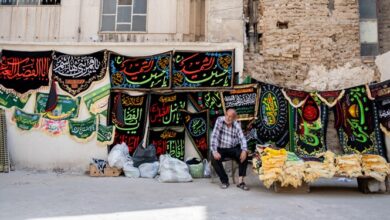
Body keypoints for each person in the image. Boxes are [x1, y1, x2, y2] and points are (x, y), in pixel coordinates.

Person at [210, 108, 249, 190]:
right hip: (221, 148)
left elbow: (242, 138)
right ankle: (224, 180)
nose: (228, 118)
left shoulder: (236, 124)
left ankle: (240, 182)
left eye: (230, 117)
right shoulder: (220, 121)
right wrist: (214, 151)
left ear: (234, 118)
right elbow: (214, 136)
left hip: (233, 148)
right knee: (213, 158)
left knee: (244, 154)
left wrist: (244, 150)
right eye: (227, 115)